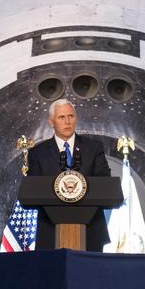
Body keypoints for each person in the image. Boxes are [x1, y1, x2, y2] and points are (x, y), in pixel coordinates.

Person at [24, 100, 112, 250]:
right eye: (62, 117)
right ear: (51, 122)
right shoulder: (38, 153)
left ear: (76, 118)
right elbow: (33, 190)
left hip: (90, 230)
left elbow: (105, 184)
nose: (67, 121)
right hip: (50, 231)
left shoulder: (94, 148)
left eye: (71, 116)